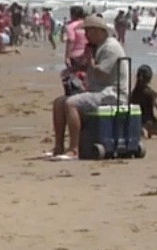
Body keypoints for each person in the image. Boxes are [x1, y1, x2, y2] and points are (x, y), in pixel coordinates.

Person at [48, 15, 127, 160]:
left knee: (71, 103)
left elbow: (102, 74)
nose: (85, 36)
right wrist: (75, 68)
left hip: (112, 93)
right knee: (59, 102)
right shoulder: (99, 46)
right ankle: (58, 147)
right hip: (98, 91)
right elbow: (89, 68)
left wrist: (90, 61)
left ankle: (74, 150)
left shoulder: (110, 47)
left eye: (88, 32)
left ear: (98, 31)